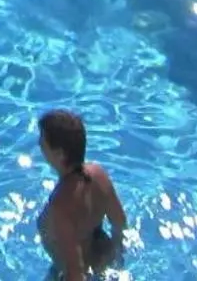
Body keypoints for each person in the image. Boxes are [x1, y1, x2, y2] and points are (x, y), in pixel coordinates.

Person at [36, 109, 128, 279]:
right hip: (105, 257)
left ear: (59, 154)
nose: (39, 143)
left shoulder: (61, 205)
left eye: (43, 139)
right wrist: (118, 256)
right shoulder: (98, 174)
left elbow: (75, 270)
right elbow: (119, 222)